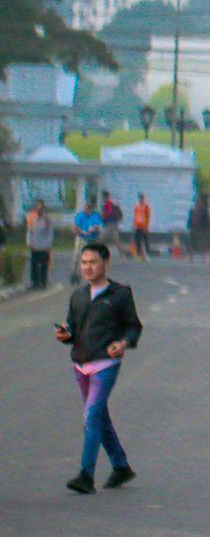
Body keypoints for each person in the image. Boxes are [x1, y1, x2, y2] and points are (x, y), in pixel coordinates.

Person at [56, 243, 142, 493]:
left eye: (93, 262)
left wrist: (124, 342)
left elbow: (134, 326)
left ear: (106, 263)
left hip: (106, 363)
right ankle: (121, 465)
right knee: (99, 416)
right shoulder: (78, 296)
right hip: (81, 363)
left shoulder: (120, 294)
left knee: (91, 416)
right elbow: (73, 328)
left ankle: (86, 475)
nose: (88, 267)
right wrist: (65, 335)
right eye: (84, 263)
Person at [71, 198, 102, 283]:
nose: (87, 209)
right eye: (86, 207)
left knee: (94, 257)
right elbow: (75, 228)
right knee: (77, 256)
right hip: (82, 238)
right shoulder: (80, 216)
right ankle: (75, 273)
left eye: (89, 207)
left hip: (92, 238)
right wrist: (82, 232)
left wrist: (92, 230)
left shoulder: (95, 215)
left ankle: (94, 273)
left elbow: (98, 226)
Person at [26, 198, 52, 289]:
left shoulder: (47, 219)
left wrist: (48, 244)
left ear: (43, 209)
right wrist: (29, 242)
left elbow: (50, 233)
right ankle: (35, 282)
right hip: (35, 245)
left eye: (41, 208)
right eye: (38, 208)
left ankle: (43, 283)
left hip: (44, 246)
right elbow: (29, 231)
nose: (39, 210)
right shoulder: (33, 219)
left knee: (43, 265)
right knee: (34, 265)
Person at [131, 193, 152, 260]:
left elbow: (148, 217)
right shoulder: (137, 207)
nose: (141, 199)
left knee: (146, 241)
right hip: (137, 227)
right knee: (138, 241)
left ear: (144, 199)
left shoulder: (146, 207)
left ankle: (148, 255)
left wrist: (146, 226)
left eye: (142, 198)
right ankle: (139, 255)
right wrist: (134, 225)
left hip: (144, 227)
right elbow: (135, 216)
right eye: (140, 198)